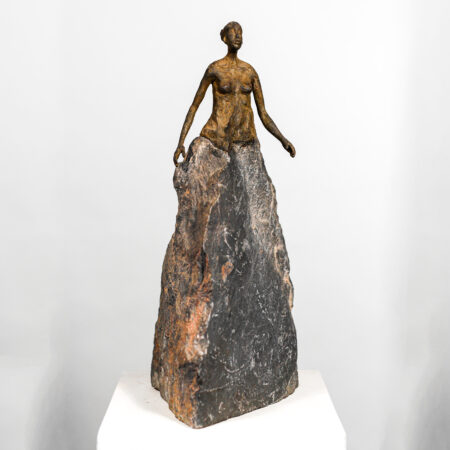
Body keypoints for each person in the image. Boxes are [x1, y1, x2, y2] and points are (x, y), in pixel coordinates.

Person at [173, 21, 296, 166]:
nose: (237, 36)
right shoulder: (215, 69)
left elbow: (263, 113)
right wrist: (181, 143)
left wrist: (283, 140)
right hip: (216, 137)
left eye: (240, 33)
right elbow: (194, 106)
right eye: (233, 32)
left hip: (245, 139)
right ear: (225, 38)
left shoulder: (249, 72)